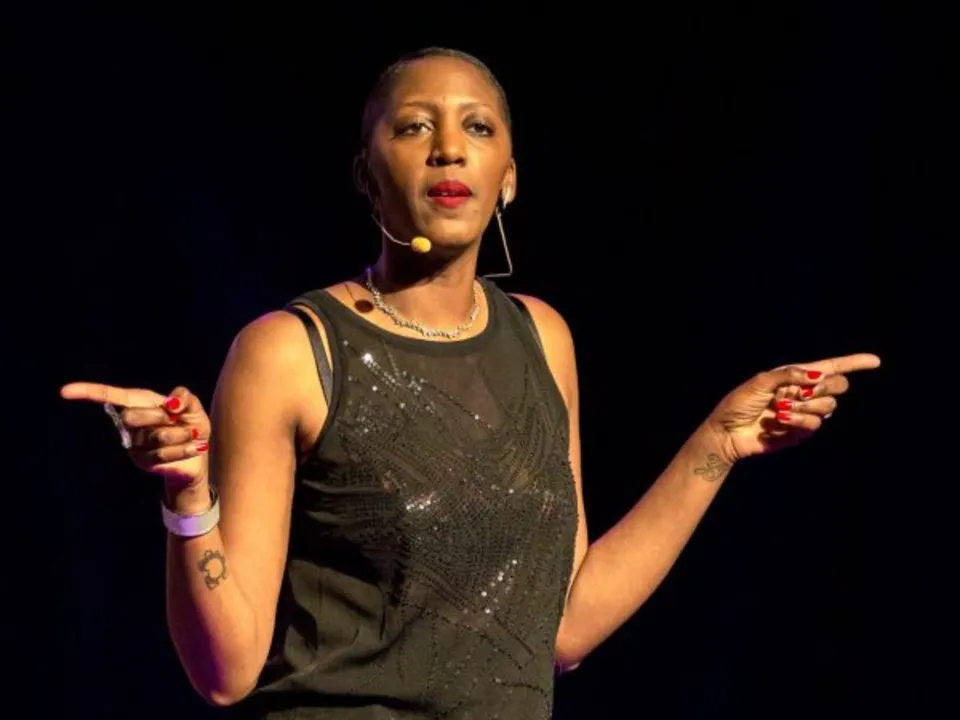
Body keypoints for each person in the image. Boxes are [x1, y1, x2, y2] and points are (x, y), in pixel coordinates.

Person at [60, 47, 881, 719]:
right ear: (366, 174)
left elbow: (561, 627)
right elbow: (226, 673)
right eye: (415, 126)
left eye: (476, 127)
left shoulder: (541, 338)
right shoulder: (288, 352)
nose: (448, 148)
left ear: (508, 177)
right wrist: (187, 495)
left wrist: (720, 444)